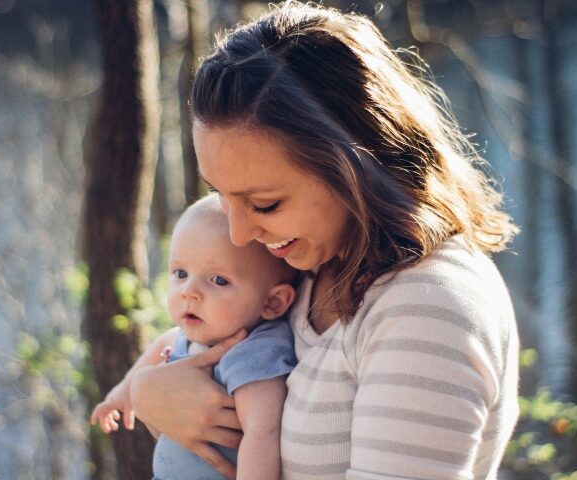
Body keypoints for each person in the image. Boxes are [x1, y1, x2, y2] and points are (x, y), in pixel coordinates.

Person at [130, 1, 521, 479]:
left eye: (266, 204)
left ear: (357, 167)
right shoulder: (311, 265)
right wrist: (151, 393)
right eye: (220, 195)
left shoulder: (426, 306)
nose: (239, 233)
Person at [91, 195, 298, 480]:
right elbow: (158, 348)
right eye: (180, 273)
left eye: (218, 280)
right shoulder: (183, 338)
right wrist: (119, 396)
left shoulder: (254, 354)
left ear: (273, 303)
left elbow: (263, 434)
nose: (189, 291)